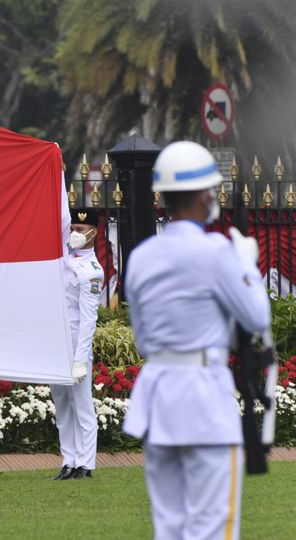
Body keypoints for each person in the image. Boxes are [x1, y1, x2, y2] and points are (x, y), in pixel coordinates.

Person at [123, 141, 271, 539]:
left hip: (158, 398)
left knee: (169, 527)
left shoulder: (142, 256)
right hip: (204, 402)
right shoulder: (217, 252)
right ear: (206, 194)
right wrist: (246, 265)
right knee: (212, 529)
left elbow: (141, 338)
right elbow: (256, 317)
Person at [49, 208, 102, 480]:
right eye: (74, 229)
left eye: (82, 230)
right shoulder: (64, 258)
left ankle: (86, 463)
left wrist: (81, 358)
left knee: (81, 405)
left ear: (94, 233)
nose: (76, 234)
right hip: (57, 342)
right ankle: (68, 461)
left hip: (75, 343)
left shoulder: (92, 271)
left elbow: (88, 320)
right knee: (62, 404)